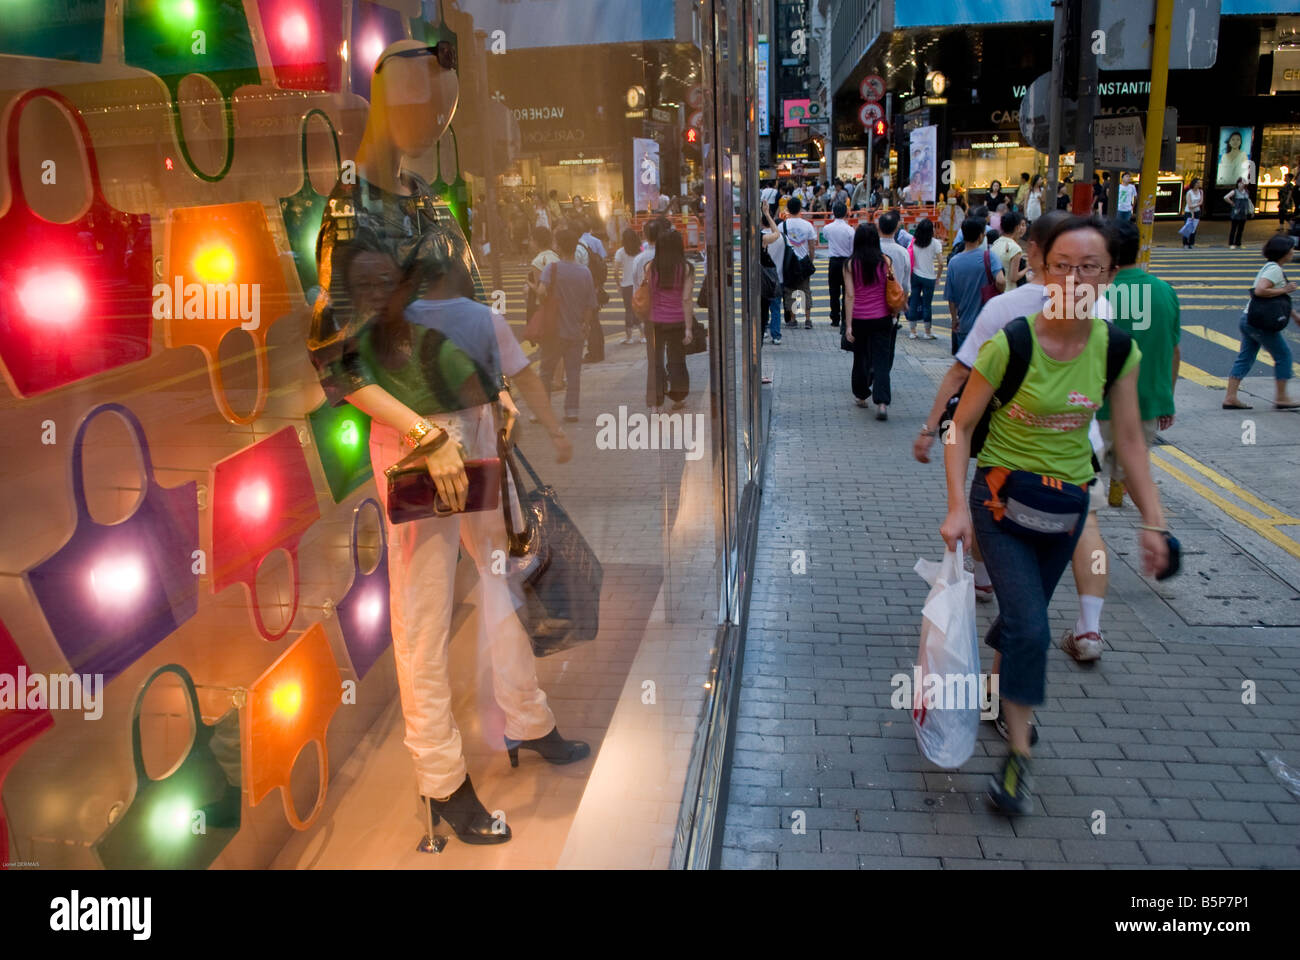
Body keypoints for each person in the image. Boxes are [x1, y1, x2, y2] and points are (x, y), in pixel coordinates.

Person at [307, 40, 587, 848]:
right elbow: (336, 358)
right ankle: (441, 779)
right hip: (416, 437)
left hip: (467, 424)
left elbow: (465, 307)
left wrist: (495, 393)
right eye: (418, 101)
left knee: (499, 576)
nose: (430, 118)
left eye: (439, 104)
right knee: (423, 612)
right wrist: (423, 432)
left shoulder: (428, 202)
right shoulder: (353, 208)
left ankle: (527, 719)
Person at [940, 214, 1172, 815]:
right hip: (998, 502)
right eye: (1062, 266)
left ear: (1109, 276)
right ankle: (1019, 754)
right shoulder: (1010, 344)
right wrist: (954, 510)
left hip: (1065, 508)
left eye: (1089, 267)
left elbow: (1129, 441)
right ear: (1041, 271)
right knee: (1034, 630)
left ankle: (1005, 676)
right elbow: (959, 429)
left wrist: (1155, 521)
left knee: (1023, 622)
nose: (1074, 278)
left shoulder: (1117, 350)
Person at [916, 210, 1116, 661]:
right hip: (1077, 454)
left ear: (1032, 253)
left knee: (997, 521)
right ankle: (1088, 628)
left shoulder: (1004, 309)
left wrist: (931, 427)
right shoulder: (1098, 304)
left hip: (1011, 457)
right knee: (1086, 529)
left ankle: (999, 601)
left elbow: (959, 375)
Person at [1096, 219, 1181, 515]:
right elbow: (1173, 351)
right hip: (1145, 405)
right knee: (1137, 478)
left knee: (1079, 485)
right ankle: (1158, 531)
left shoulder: (1093, 293)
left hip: (1094, 406)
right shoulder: (1164, 291)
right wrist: (1165, 399)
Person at [1222, 235, 1300, 410]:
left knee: (1246, 356)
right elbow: (1260, 291)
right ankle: (1282, 397)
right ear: (1284, 253)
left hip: (1249, 319)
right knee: (1284, 355)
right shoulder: (1274, 270)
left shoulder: (1271, 267)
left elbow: (1278, 299)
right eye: (1291, 249)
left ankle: (1230, 396)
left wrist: (1293, 315)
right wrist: (1285, 289)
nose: (1293, 252)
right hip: (1259, 323)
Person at [536, 227, 597, 422]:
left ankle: (543, 411)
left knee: (545, 371)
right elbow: (590, 304)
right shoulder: (585, 272)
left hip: (554, 331)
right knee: (573, 373)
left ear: (559, 247)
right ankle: (571, 411)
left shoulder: (551, 269)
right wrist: (585, 324)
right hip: (576, 330)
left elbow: (541, 292)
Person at [843, 223, 897, 419]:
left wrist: (848, 326)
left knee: (861, 358)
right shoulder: (885, 261)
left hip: (860, 318)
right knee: (882, 361)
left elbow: (850, 295)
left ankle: (861, 395)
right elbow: (891, 288)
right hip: (882, 318)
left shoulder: (850, 264)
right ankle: (882, 403)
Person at [645, 227, 695, 409]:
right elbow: (686, 299)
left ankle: (655, 404)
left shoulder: (651, 267)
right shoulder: (687, 268)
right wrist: (689, 328)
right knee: (677, 360)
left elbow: (649, 294)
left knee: (655, 362)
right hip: (677, 321)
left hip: (654, 321)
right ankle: (678, 396)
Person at [944, 217, 1005, 355]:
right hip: (988, 325)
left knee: (966, 369)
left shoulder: (954, 262)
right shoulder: (990, 257)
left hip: (964, 325)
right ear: (981, 236)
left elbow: (951, 297)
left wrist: (954, 320)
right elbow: (1000, 281)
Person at [780, 195, 818, 329]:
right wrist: (811, 260)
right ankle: (808, 319)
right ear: (800, 208)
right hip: (803, 261)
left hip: (789, 263)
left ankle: (792, 319)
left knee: (790, 291)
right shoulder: (808, 225)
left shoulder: (782, 226)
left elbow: (779, 246)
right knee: (805, 290)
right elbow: (812, 246)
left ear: (788, 209)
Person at [906, 217, 942, 340]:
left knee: (914, 302)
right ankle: (927, 332)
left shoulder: (914, 241)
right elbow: (941, 263)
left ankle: (913, 331)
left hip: (915, 275)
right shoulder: (935, 243)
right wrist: (938, 277)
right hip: (929, 277)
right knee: (927, 304)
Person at [823, 200, 856, 329]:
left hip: (833, 262)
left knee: (834, 291)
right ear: (846, 213)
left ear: (833, 213)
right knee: (847, 291)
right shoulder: (850, 230)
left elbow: (826, 237)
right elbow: (852, 249)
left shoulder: (827, 228)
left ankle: (834, 318)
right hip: (846, 262)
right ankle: (844, 317)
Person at [877, 210, 912, 327]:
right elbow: (906, 283)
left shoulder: (873, 249)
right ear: (896, 229)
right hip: (895, 300)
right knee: (891, 338)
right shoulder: (903, 252)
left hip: (875, 302)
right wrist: (904, 301)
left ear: (879, 227)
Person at [615, 227, 643, 344]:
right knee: (639, 310)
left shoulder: (620, 252)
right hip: (638, 284)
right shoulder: (640, 250)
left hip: (626, 285)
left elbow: (615, 271)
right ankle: (643, 335)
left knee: (628, 310)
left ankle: (629, 337)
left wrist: (618, 284)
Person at [761, 208, 784, 344]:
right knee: (775, 308)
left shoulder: (758, 238)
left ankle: (763, 330)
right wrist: (768, 214)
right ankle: (776, 335)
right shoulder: (780, 237)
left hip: (762, 279)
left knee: (763, 307)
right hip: (777, 277)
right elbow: (776, 232)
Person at [991, 210, 1028, 286]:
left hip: (996, 288)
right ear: (1017, 227)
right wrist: (1028, 268)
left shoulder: (996, 242)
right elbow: (1013, 278)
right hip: (1009, 290)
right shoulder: (1015, 248)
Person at [1224, 177, 1253, 248]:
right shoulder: (1234, 191)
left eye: (1243, 183)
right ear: (1237, 184)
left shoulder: (1246, 192)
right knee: (1234, 228)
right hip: (1236, 212)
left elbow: (1249, 202)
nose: (1241, 184)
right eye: (1240, 183)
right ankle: (1231, 243)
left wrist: (1251, 211)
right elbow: (1226, 197)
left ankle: (1238, 242)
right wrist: (1232, 203)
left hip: (1244, 212)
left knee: (1241, 229)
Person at [1181, 177, 1204, 247]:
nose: (1198, 184)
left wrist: (1196, 205)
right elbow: (1190, 205)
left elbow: (1201, 201)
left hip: (1197, 211)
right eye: (1197, 183)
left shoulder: (1201, 191)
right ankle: (1185, 243)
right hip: (1189, 211)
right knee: (1188, 227)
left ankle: (1191, 243)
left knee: (1194, 227)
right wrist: (1196, 205)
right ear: (1194, 184)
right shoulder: (1189, 192)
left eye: (1199, 183)